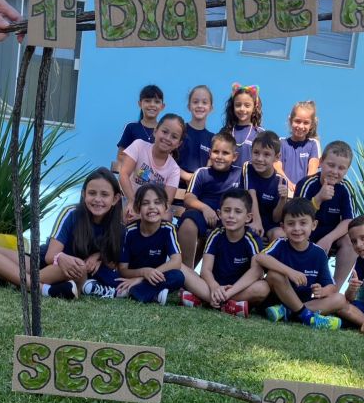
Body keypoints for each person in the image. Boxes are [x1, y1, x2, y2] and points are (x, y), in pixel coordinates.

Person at [0, 167, 123, 299]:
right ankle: (42, 289)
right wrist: (61, 257)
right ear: (83, 194)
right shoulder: (71, 213)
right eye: (92, 193)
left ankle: (12, 278)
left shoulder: (118, 227)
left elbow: (114, 263)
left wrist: (99, 256)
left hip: (68, 272)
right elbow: (50, 256)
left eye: (104, 195)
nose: (97, 199)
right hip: (41, 262)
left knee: (77, 267)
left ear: (115, 199)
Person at [254, 198, 345, 330]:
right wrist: (290, 272)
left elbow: (331, 287)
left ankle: (289, 312)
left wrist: (322, 291)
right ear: (283, 227)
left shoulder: (319, 253)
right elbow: (260, 257)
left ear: (313, 225)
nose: (297, 228)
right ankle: (306, 316)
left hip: (301, 304)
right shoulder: (280, 243)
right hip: (275, 302)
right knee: (274, 275)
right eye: (291, 224)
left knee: (339, 299)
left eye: (303, 223)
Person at [115, 184, 208, 305]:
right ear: (137, 208)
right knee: (114, 278)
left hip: (155, 276)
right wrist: (143, 272)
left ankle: (137, 292)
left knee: (178, 276)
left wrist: (142, 278)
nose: (152, 207)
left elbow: (176, 261)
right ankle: (150, 294)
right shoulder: (129, 232)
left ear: (166, 207)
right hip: (134, 274)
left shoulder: (168, 229)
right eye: (145, 203)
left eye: (157, 202)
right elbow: (123, 270)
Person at [181, 188, 269, 317]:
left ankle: (206, 299)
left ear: (248, 217)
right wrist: (214, 287)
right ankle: (229, 306)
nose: (231, 216)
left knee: (263, 288)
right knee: (180, 267)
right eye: (227, 210)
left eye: (238, 211)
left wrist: (228, 293)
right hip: (213, 286)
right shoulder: (216, 234)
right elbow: (205, 270)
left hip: (238, 289)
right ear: (219, 213)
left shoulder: (252, 239)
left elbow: (256, 272)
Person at [295, 140, 356, 290]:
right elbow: (296, 216)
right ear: (321, 162)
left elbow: (349, 221)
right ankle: (298, 285)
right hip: (306, 232)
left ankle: (334, 288)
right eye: (331, 165)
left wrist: (329, 239)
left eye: (341, 168)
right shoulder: (307, 184)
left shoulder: (345, 188)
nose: (335, 171)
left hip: (331, 235)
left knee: (350, 240)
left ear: (347, 170)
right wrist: (318, 199)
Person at [177, 131, 242, 268]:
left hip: (228, 220)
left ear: (234, 157)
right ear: (210, 153)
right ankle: (185, 271)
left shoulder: (240, 174)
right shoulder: (202, 173)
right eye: (216, 152)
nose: (219, 157)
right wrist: (205, 208)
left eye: (225, 153)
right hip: (203, 216)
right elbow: (188, 198)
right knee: (188, 222)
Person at [119, 113, 184, 223]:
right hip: (131, 199)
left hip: (153, 209)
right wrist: (132, 201)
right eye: (164, 132)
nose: (167, 138)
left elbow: (166, 202)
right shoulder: (139, 146)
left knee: (167, 216)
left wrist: (142, 215)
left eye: (174, 137)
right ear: (155, 131)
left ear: (179, 144)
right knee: (125, 212)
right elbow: (124, 174)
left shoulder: (174, 169)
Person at [241, 131, 288, 241]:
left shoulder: (281, 181)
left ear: (277, 157)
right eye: (256, 153)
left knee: (280, 235)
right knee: (250, 232)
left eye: (266, 154)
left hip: (269, 225)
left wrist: (283, 199)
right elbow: (251, 194)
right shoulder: (248, 167)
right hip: (249, 219)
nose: (260, 159)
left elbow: (276, 219)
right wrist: (256, 221)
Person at [274, 100, 321, 196]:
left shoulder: (313, 144)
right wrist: (288, 183)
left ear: (311, 125)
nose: (301, 126)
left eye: (306, 123)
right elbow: (276, 166)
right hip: (284, 193)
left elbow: (312, 170)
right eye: (297, 121)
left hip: (304, 195)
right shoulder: (281, 143)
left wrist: (301, 187)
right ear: (290, 120)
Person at [177, 85, 215, 188]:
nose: (199, 105)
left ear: (211, 108)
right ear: (189, 106)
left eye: (204, 102)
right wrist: (187, 176)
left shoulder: (213, 139)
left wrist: (197, 179)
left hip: (198, 189)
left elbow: (209, 168)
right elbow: (167, 159)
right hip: (175, 187)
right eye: (195, 102)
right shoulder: (179, 130)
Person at [116, 85, 166, 163]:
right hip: (132, 170)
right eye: (147, 101)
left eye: (157, 102)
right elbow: (120, 155)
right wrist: (140, 166)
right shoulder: (131, 127)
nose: (152, 105)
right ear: (139, 104)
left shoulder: (165, 132)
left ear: (162, 106)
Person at [221, 83, 264, 168]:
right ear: (233, 107)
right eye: (238, 105)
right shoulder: (226, 131)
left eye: (247, 105)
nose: (242, 109)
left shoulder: (260, 133)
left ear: (254, 107)